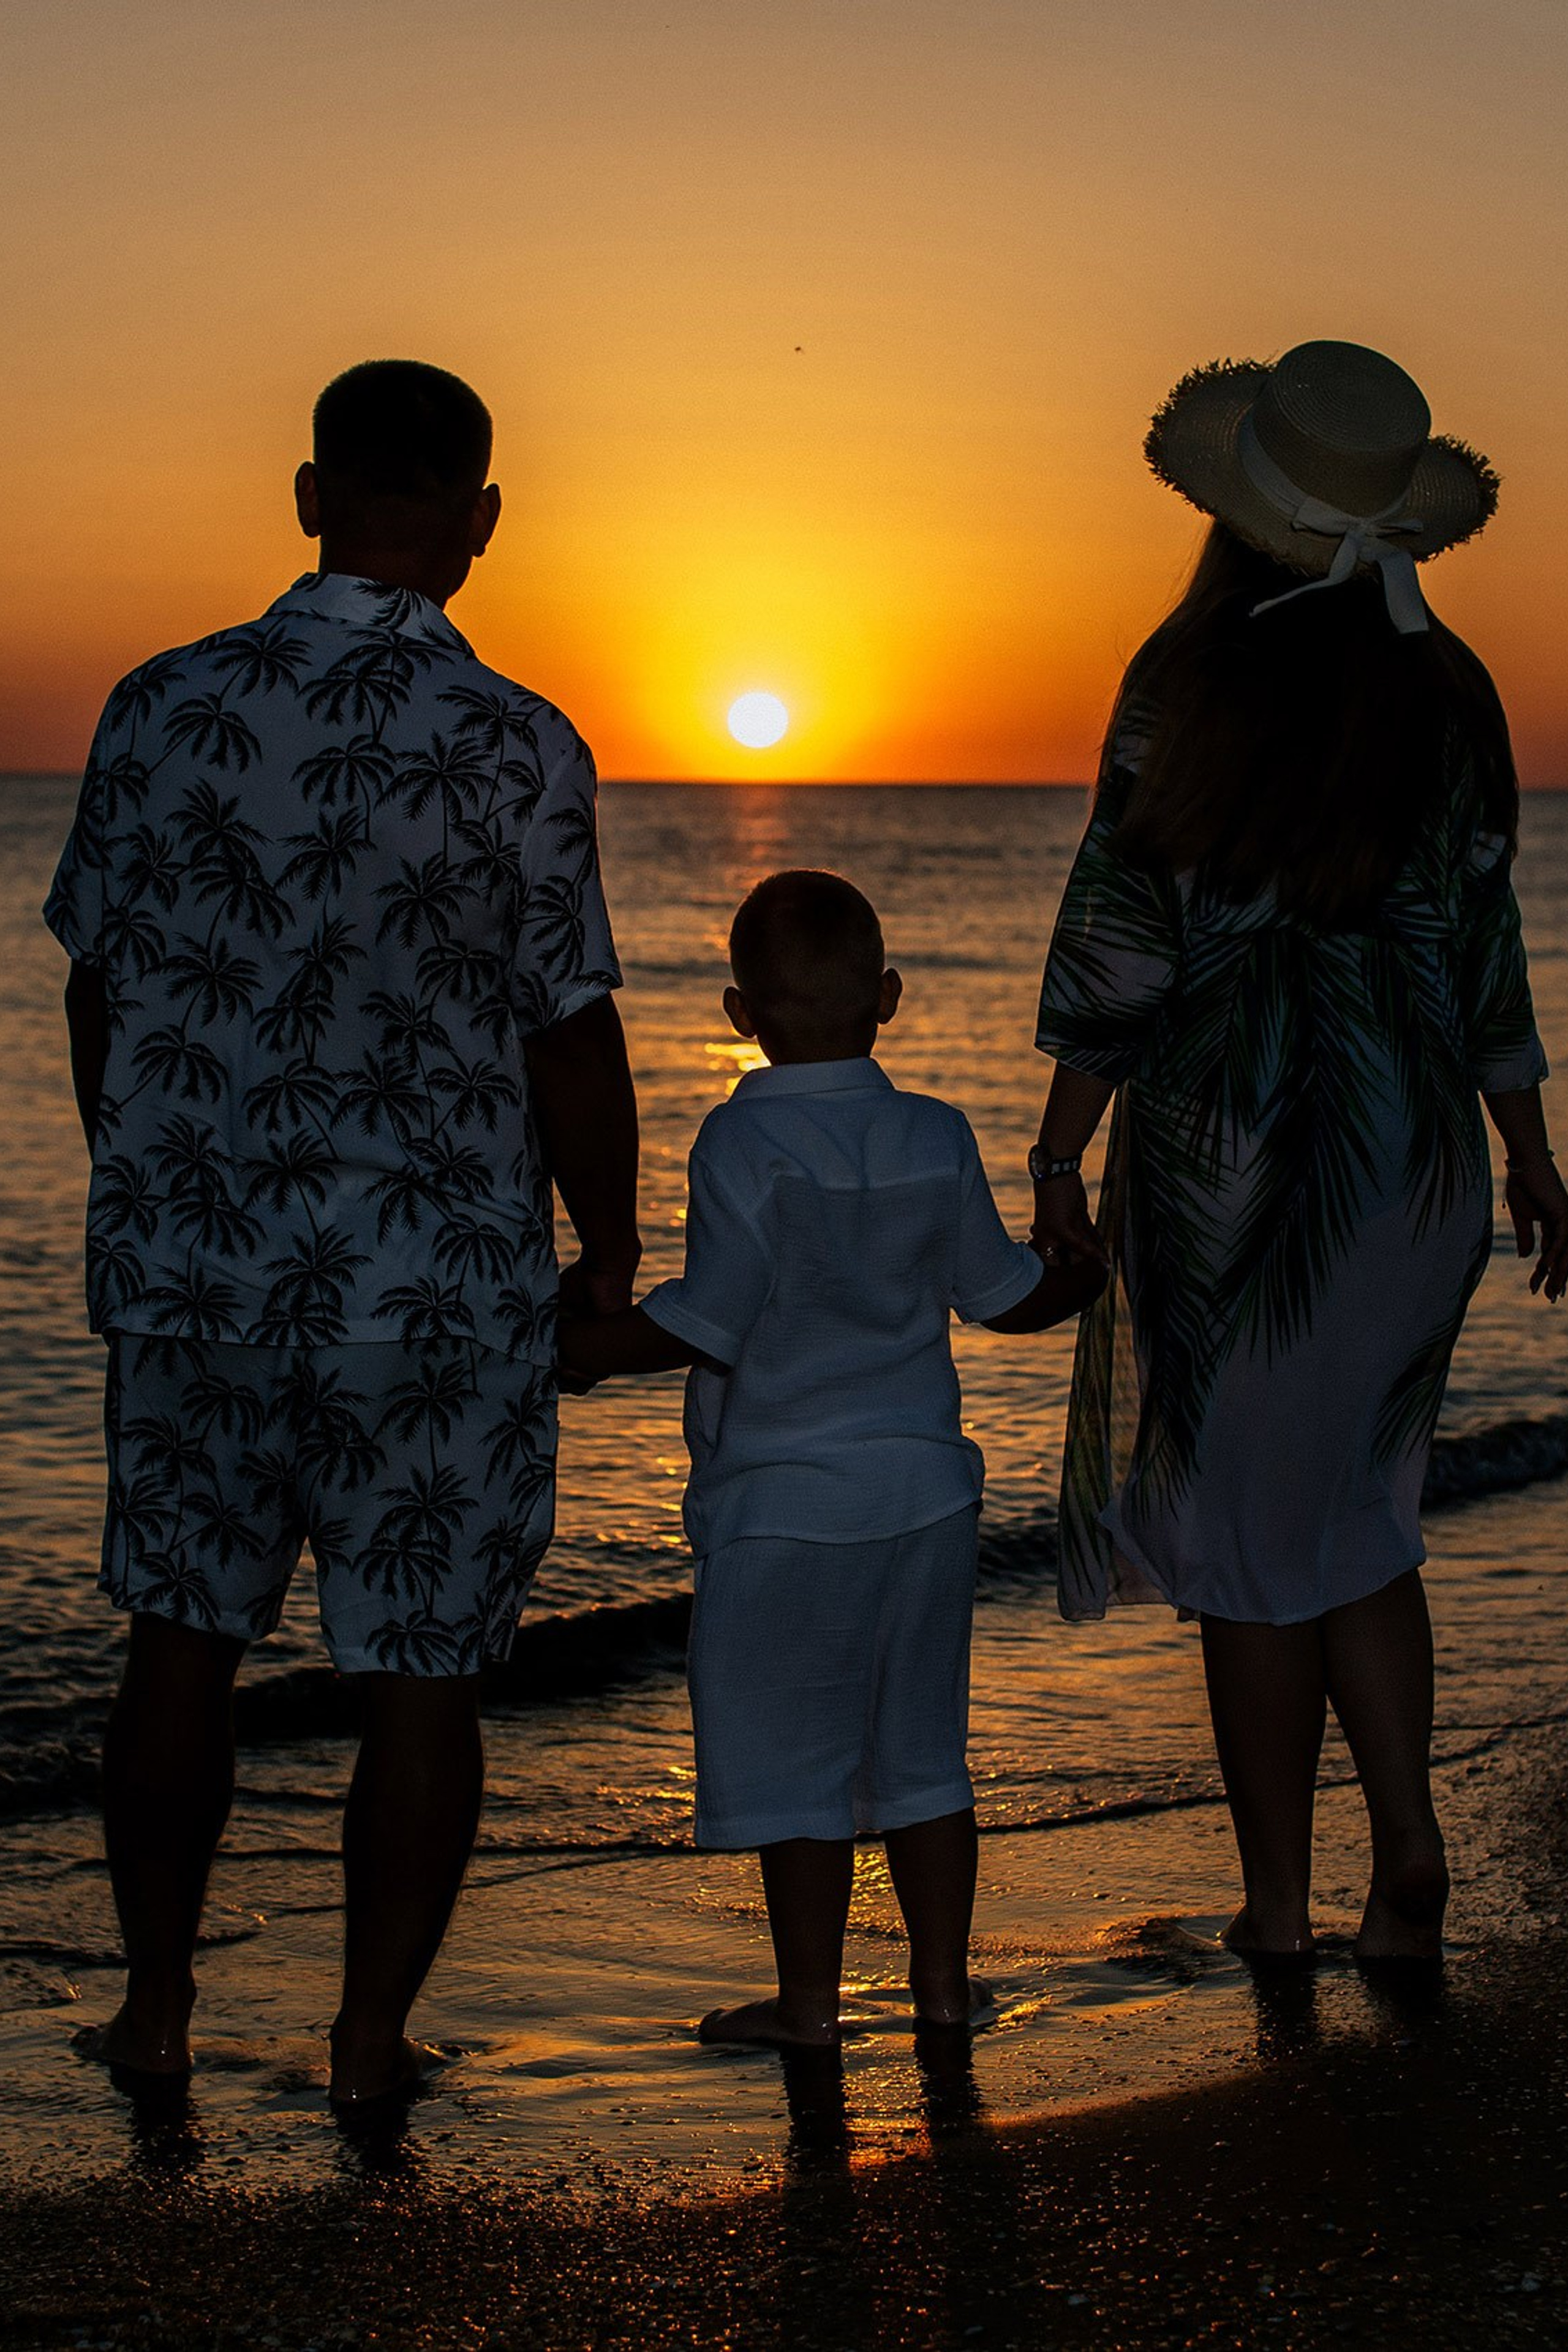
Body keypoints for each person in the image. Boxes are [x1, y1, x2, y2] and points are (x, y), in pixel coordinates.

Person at [44, 359, 641, 2103]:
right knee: (423, 1673)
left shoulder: (160, 704)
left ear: (309, 498)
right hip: (438, 1293)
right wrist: (603, 1254)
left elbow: (101, 982)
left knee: (180, 1639)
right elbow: (567, 1024)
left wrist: (147, 1173)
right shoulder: (521, 742)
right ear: (480, 522)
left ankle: (158, 2014)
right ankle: (370, 2037)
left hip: (196, 1276)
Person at [1029, 341, 1568, 1962]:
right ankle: (1402, 1845)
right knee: (1361, 1513)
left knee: (1258, 1548)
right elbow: (1484, 948)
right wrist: (1534, 1153)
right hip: (1410, 1176)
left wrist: (1059, 1156)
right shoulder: (1452, 683)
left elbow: (1119, 943)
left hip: (1234, 1172)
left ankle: (1278, 1906)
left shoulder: (1184, 676)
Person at [559, 870, 1104, 2046]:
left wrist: (590, 1351)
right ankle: (943, 1992)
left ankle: (810, 2005)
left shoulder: (740, 1139)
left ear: (738, 1014)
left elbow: (714, 1318)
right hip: (924, 1496)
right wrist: (1086, 1276)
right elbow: (1002, 1298)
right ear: (890, 997)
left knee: (798, 1771)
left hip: (785, 1509)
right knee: (924, 1761)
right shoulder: (933, 1131)